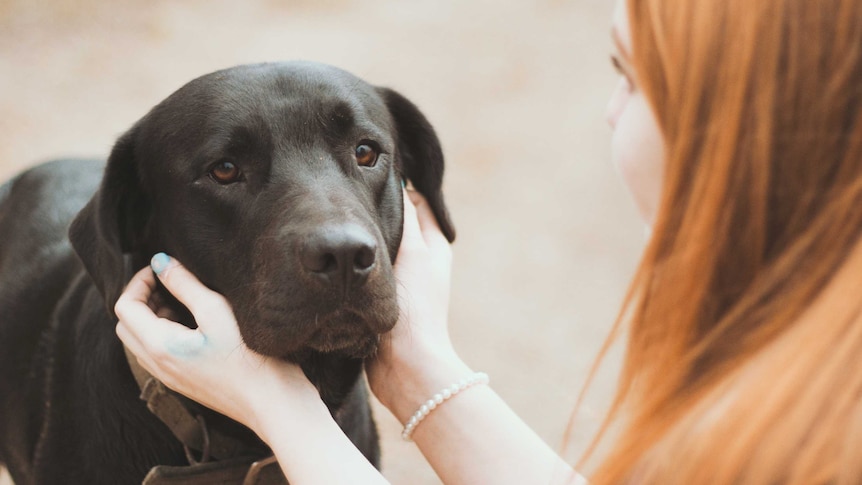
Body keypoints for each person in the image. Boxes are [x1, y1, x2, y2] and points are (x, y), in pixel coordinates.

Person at [115, 0, 862, 482]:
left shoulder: (803, 439)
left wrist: (281, 409)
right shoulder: (808, 372)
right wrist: (417, 362)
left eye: (630, 77)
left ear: (743, 116)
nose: (608, 113)